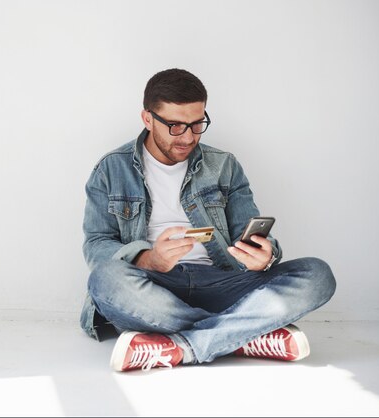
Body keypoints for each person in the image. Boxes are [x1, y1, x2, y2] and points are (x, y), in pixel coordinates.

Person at [80, 68, 336, 372]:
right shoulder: (111, 169)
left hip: (223, 282)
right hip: (155, 287)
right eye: (175, 125)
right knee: (105, 280)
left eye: (197, 124)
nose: (188, 137)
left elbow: (246, 232)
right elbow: (97, 247)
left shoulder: (224, 166)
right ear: (147, 119)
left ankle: (185, 346)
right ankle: (242, 333)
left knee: (317, 274)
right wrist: (150, 259)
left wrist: (262, 256)